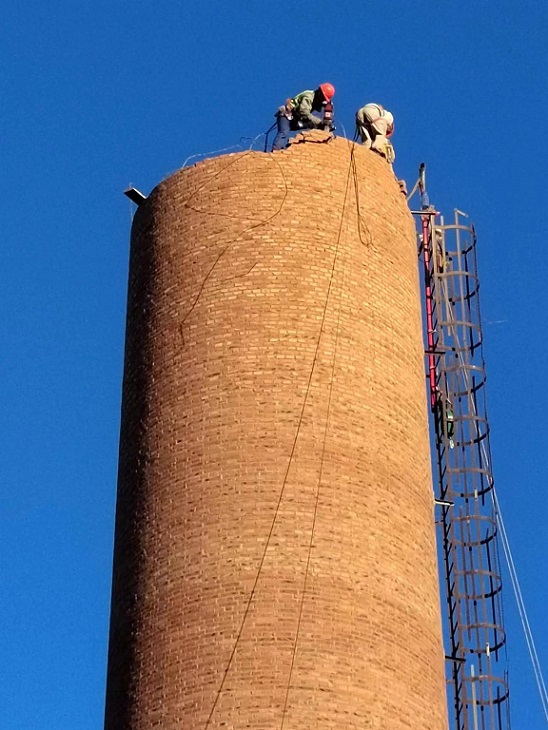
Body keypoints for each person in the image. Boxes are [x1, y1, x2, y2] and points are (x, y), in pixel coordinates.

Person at [271, 83, 336, 151]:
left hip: (296, 120)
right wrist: (320, 122)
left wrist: (328, 109)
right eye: (322, 97)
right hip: (286, 116)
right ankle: (276, 149)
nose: (322, 99)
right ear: (319, 93)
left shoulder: (316, 100)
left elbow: (321, 108)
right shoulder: (309, 96)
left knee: (313, 124)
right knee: (283, 132)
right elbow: (303, 111)